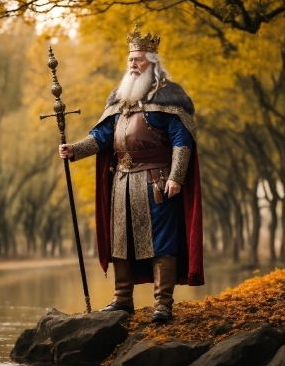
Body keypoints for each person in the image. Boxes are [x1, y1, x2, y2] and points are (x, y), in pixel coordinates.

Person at [59, 25, 204, 322]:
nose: (133, 65)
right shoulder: (120, 97)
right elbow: (102, 135)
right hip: (122, 182)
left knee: (161, 241)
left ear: (152, 61)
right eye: (130, 60)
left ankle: (163, 305)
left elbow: (182, 139)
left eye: (138, 59)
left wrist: (176, 176)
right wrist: (75, 149)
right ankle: (122, 300)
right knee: (121, 240)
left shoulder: (170, 95)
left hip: (157, 180)